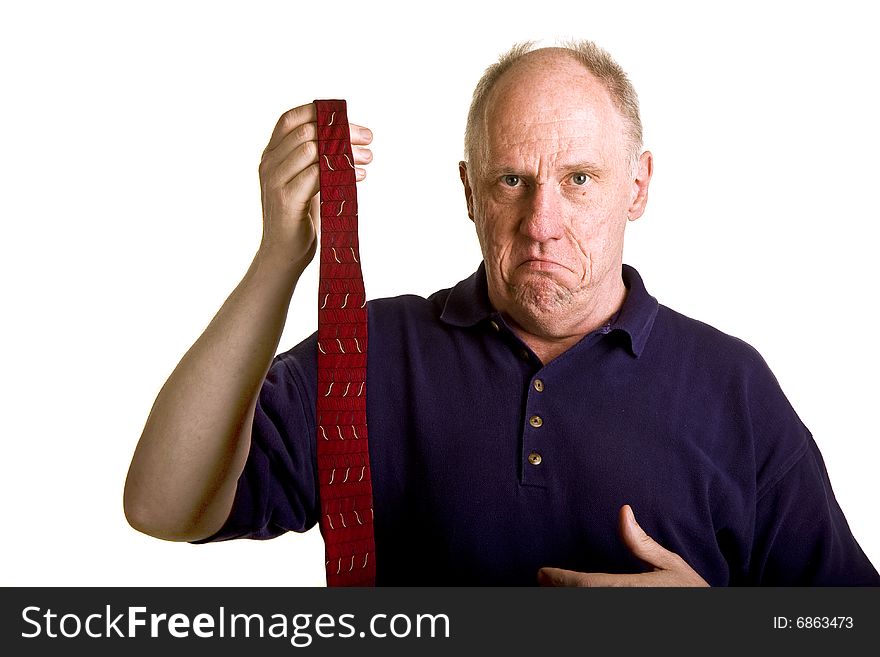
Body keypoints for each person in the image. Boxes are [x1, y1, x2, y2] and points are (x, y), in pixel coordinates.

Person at [123, 40, 880, 586]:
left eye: (579, 177)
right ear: (468, 191)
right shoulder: (371, 354)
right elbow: (164, 504)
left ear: (638, 187)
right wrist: (277, 259)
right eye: (511, 179)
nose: (541, 220)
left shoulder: (733, 386)